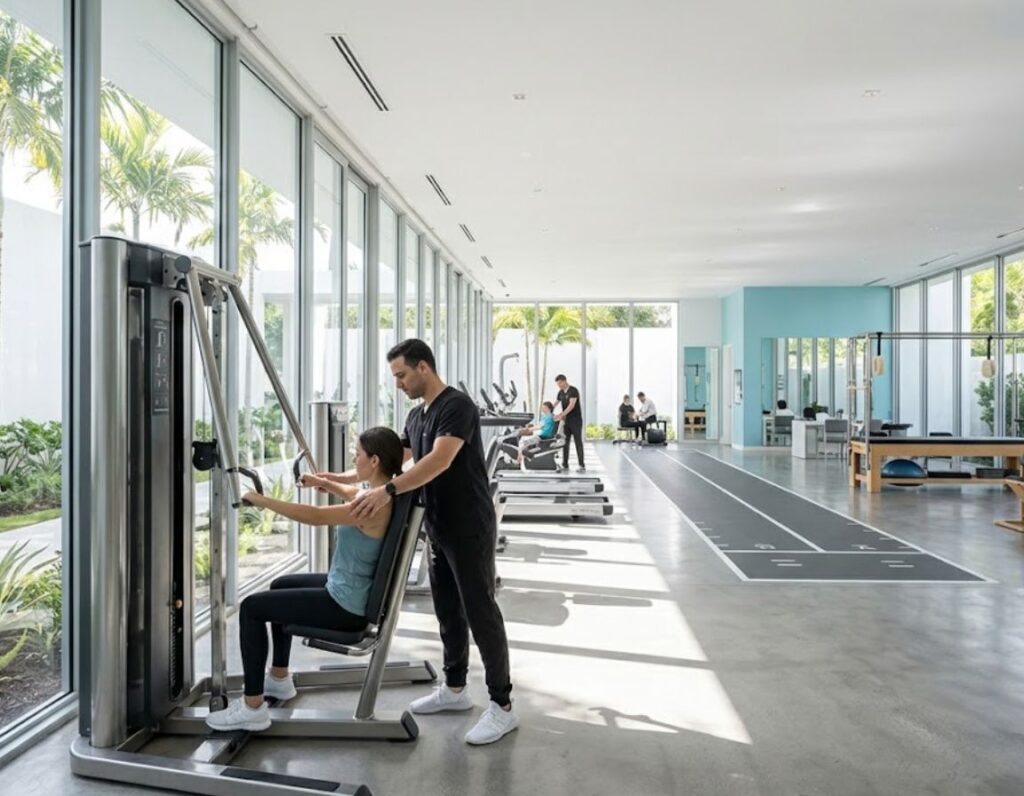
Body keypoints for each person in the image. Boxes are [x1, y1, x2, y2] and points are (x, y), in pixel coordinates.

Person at [348, 339, 517, 745]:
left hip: (470, 527)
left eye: (402, 375)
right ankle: (455, 689)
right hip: (438, 528)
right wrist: (335, 479)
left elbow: (438, 461)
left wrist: (387, 491)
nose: (398, 384)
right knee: (448, 613)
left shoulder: (456, 407)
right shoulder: (416, 415)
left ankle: (502, 706)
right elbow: (390, 462)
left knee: (481, 614)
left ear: (423, 367)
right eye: (395, 377)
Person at [205, 427, 405, 733]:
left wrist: (262, 500)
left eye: (357, 454)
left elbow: (315, 516)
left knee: (251, 608)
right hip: (349, 589)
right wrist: (323, 482)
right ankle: (280, 678)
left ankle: (252, 706)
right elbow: (353, 493)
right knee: (279, 586)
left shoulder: (372, 505)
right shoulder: (381, 495)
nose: (354, 458)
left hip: (345, 606)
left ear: (374, 460)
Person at [554, 374, 585, 472]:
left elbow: (571, 406)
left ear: (564, 381)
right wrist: (548, 411)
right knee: (565, 443)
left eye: (560, 383)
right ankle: (565, 464)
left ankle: (581, 465)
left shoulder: (573, 391)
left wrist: (561, 414)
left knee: (578, 442)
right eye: (558, 384)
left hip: (576, 421)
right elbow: (555, 403)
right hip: (566, 421)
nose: (559, 386)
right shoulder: (561, 392)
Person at [517, 400, 557, 465]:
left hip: (542, 436)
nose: (542, 409)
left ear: (549, 408)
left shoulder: (548, 417)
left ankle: (519, 460)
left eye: (544, 408)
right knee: (524, 440)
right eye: (542, 408)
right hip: (542, 435)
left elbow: (539, 427)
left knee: (522, 441)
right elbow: (539, 426)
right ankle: (525, 458)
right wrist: (528, 429)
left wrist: (528, 429)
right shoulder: (548, 416)